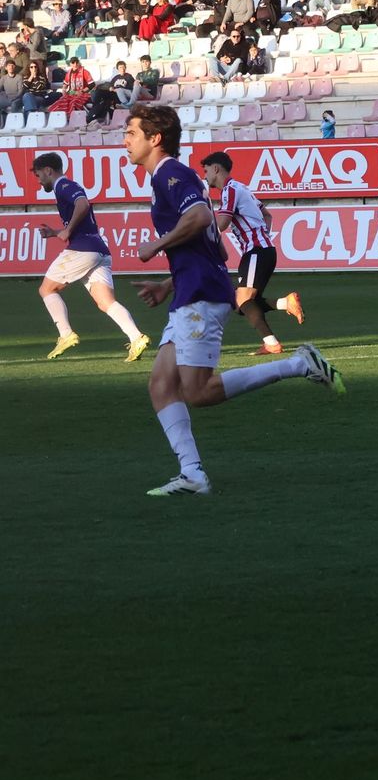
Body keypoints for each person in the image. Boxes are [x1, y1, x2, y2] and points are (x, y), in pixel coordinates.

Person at [124, 106, 344, 497]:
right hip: (192, 289)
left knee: (198, 391)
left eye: (131, 132)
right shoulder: (174, 176)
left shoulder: (170, 173)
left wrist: (155, 246)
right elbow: (215, 253)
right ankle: (192, 474)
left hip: (202, 295)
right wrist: (166, 282)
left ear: (154, 138)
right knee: (161, 385)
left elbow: (200, 220)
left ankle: (299, 364)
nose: (125, 139)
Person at [29, 153, 151, 363]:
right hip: (99, 250)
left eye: (39, 175)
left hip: (83, 249)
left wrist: (67, 232)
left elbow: (83, 204)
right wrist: (57, 232)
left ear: (48, 170)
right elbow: (81, 217)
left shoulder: (63, 185)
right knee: (106, 302)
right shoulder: (64, 187)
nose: (39, 180)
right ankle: (136, 337)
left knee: (46, 289)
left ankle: (65, 334)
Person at [200, 152, 306, 357]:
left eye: (206, 170)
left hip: (257, 251)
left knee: (242, 300)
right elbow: (267, 214)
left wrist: (201, 229)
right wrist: (261, 235)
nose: (205, 176)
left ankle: (272, 343)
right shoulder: (242, 188)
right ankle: (285, 303)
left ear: (216, 169)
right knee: (242, 304)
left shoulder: (229, 190)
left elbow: (221, 224)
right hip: (261, 250)